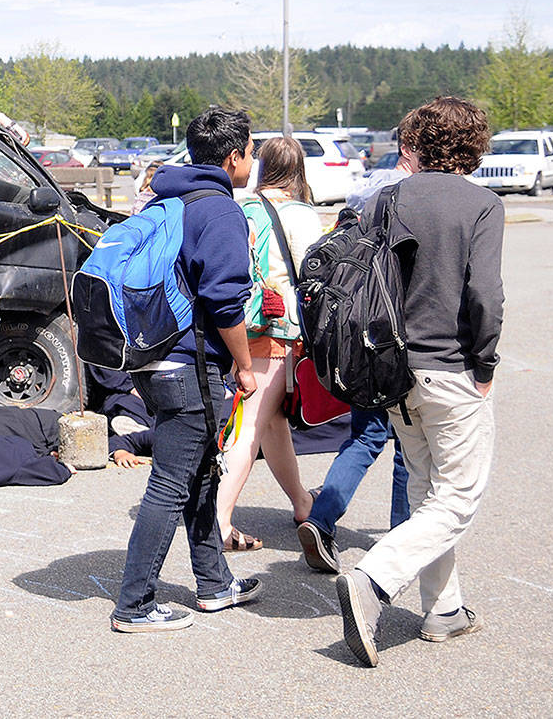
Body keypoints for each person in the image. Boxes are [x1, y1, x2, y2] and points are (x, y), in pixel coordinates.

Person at [334, 96, 503, 667]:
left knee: (428, 493)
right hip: (452, 367)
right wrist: (485, 364)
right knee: (457, 498)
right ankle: (374, 579)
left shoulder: (387, 198)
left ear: (416, 141)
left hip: (395, 369)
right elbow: (485, 295)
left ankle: (444, 610)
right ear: (474, 145)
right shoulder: (482, 204)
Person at [109, 106, 264, 634]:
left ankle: (214, 583)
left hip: (153, 359)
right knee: (171, 483)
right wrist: (244, 365)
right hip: (188, 366)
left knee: (200, 473)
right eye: (251, 151)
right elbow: (224, 303)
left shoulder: (167, 197)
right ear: (234, 155)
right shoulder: (219, 211)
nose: (253, 161)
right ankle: (134, 604)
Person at [298, 135, 419, 573]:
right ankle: (401, 540)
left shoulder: (362, 194)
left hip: (355, 339)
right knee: (408, 446)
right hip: (396, 339)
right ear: (412, 153)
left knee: (365, 437)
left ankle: (321, 517)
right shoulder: (406, 200)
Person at [214, 136, 323, 552]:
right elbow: (315, 274)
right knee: (251, 424)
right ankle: (219, 521)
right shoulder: (300, 215)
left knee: (272, 421)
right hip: (279, 329)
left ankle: (301, 502)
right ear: (298, 170)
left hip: (242, 325)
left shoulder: (242, 209)